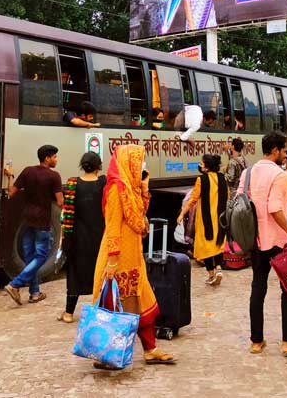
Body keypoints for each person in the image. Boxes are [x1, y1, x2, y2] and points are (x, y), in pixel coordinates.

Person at [93, 145, 175, 367]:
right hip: (117, 258)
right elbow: (112, 226)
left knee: (141, 300)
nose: (142, 165)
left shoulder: (131, 188)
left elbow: (140, 215)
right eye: (139, 161)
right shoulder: (114, 189)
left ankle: (150, 349)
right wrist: (112, 259)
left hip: (133, 257)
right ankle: (108, 354)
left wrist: (144, 187)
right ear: (128, 162)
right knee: (117, 306)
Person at [243, 131, 287, 357]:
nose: (285, 154)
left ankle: (256, 341)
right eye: (283, 150)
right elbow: (274, 209)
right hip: (277, 240)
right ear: (275, 150)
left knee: (257, 287)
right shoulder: (279, 175)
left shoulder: (248, 173)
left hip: (254, 239)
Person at [3, 145, 64, 305]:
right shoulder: (54, 176)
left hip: (27, 218)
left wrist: (10, 177)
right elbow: (60, 201)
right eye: (55, 157)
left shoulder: (27, 171)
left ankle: (35, 293)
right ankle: (14, 284)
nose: (56, 160)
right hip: (43, 220)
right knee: (41, 256)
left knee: (31, 257)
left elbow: (11, 192)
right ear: (47, 158)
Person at [58, 152, 107, 323]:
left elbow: (67, 215)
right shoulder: (104, 183)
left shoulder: (72, 184)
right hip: (101, 237)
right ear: (98, 166)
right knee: (100, 273)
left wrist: (64, 238)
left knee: (75, 274)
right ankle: (102, 310)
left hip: (78, 238)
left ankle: (69, 313)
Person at [178, 154, 229, 286]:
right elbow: (228, 197)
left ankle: (211, 274)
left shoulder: (201, 180)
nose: (200, 165)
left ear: (206, 167)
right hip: (220, 219)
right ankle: (218, 269)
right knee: (217, 245)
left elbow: (192, 199)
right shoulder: (222, 178)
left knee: (204, 247)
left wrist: (182, 214)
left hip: (205, 221)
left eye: (202, 163)